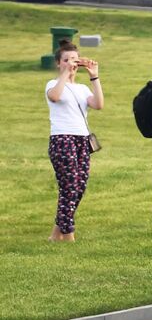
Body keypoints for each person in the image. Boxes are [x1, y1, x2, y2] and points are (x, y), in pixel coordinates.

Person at [44, 41, 103, 241]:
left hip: (82, 140)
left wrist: (94, 75)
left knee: (79, 186)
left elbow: (98, 104)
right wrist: (64, 75)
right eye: (66, 60)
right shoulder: (53, 84)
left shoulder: (82, 88)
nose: (71, 63)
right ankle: (69, 235)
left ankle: (55, 234)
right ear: (58, 63)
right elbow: (54, 97)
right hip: (62, 139)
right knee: (69, 185)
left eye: (74, 59)